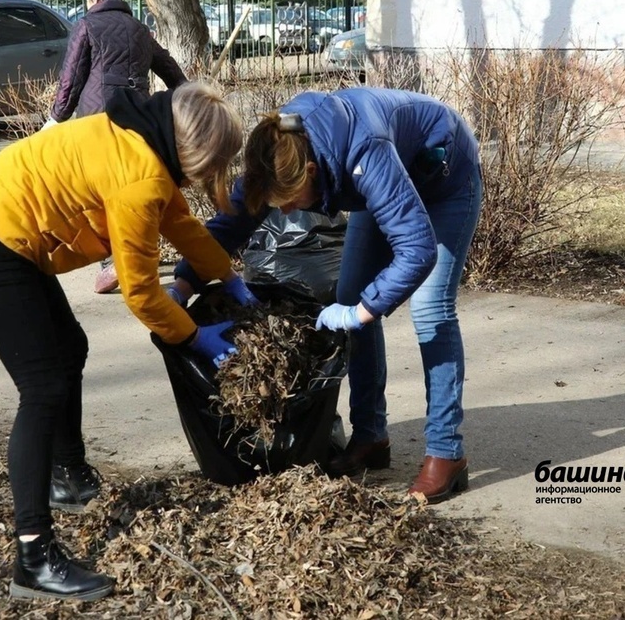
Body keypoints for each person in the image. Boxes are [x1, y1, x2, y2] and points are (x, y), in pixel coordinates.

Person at [0, 81, 258, 601]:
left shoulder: (141, 137)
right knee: (42, 387)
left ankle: (67, 475)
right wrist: (193, 336)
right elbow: (140, 292)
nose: (209, 176)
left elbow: (181, 224)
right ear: (199, 153)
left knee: (70, 349)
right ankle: (33, 559)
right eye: (213, 165)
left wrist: (228, 278)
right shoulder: (140, 176)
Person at [171, 87, 483, 504]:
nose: (284, 213)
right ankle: (371, 436)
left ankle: (446, 453)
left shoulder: (365, 152)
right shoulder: (275, 150)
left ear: (312, 171)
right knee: (350, 292)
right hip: (387, 178)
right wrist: (183, 284)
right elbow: (230, 226)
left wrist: (363, 312)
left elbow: (417, 249)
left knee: (430, 309)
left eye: (288, 203)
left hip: (443, 175)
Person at [48, 0, 189, 296]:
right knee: (134, 189)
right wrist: (186, 98)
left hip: (97, 123)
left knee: (98, 193)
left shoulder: (86, 26)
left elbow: (71, 79)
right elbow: (170, 69)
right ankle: (140, 251)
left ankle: (113, 260)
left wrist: (57, 116)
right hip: (138, 121)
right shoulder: (139, 29)